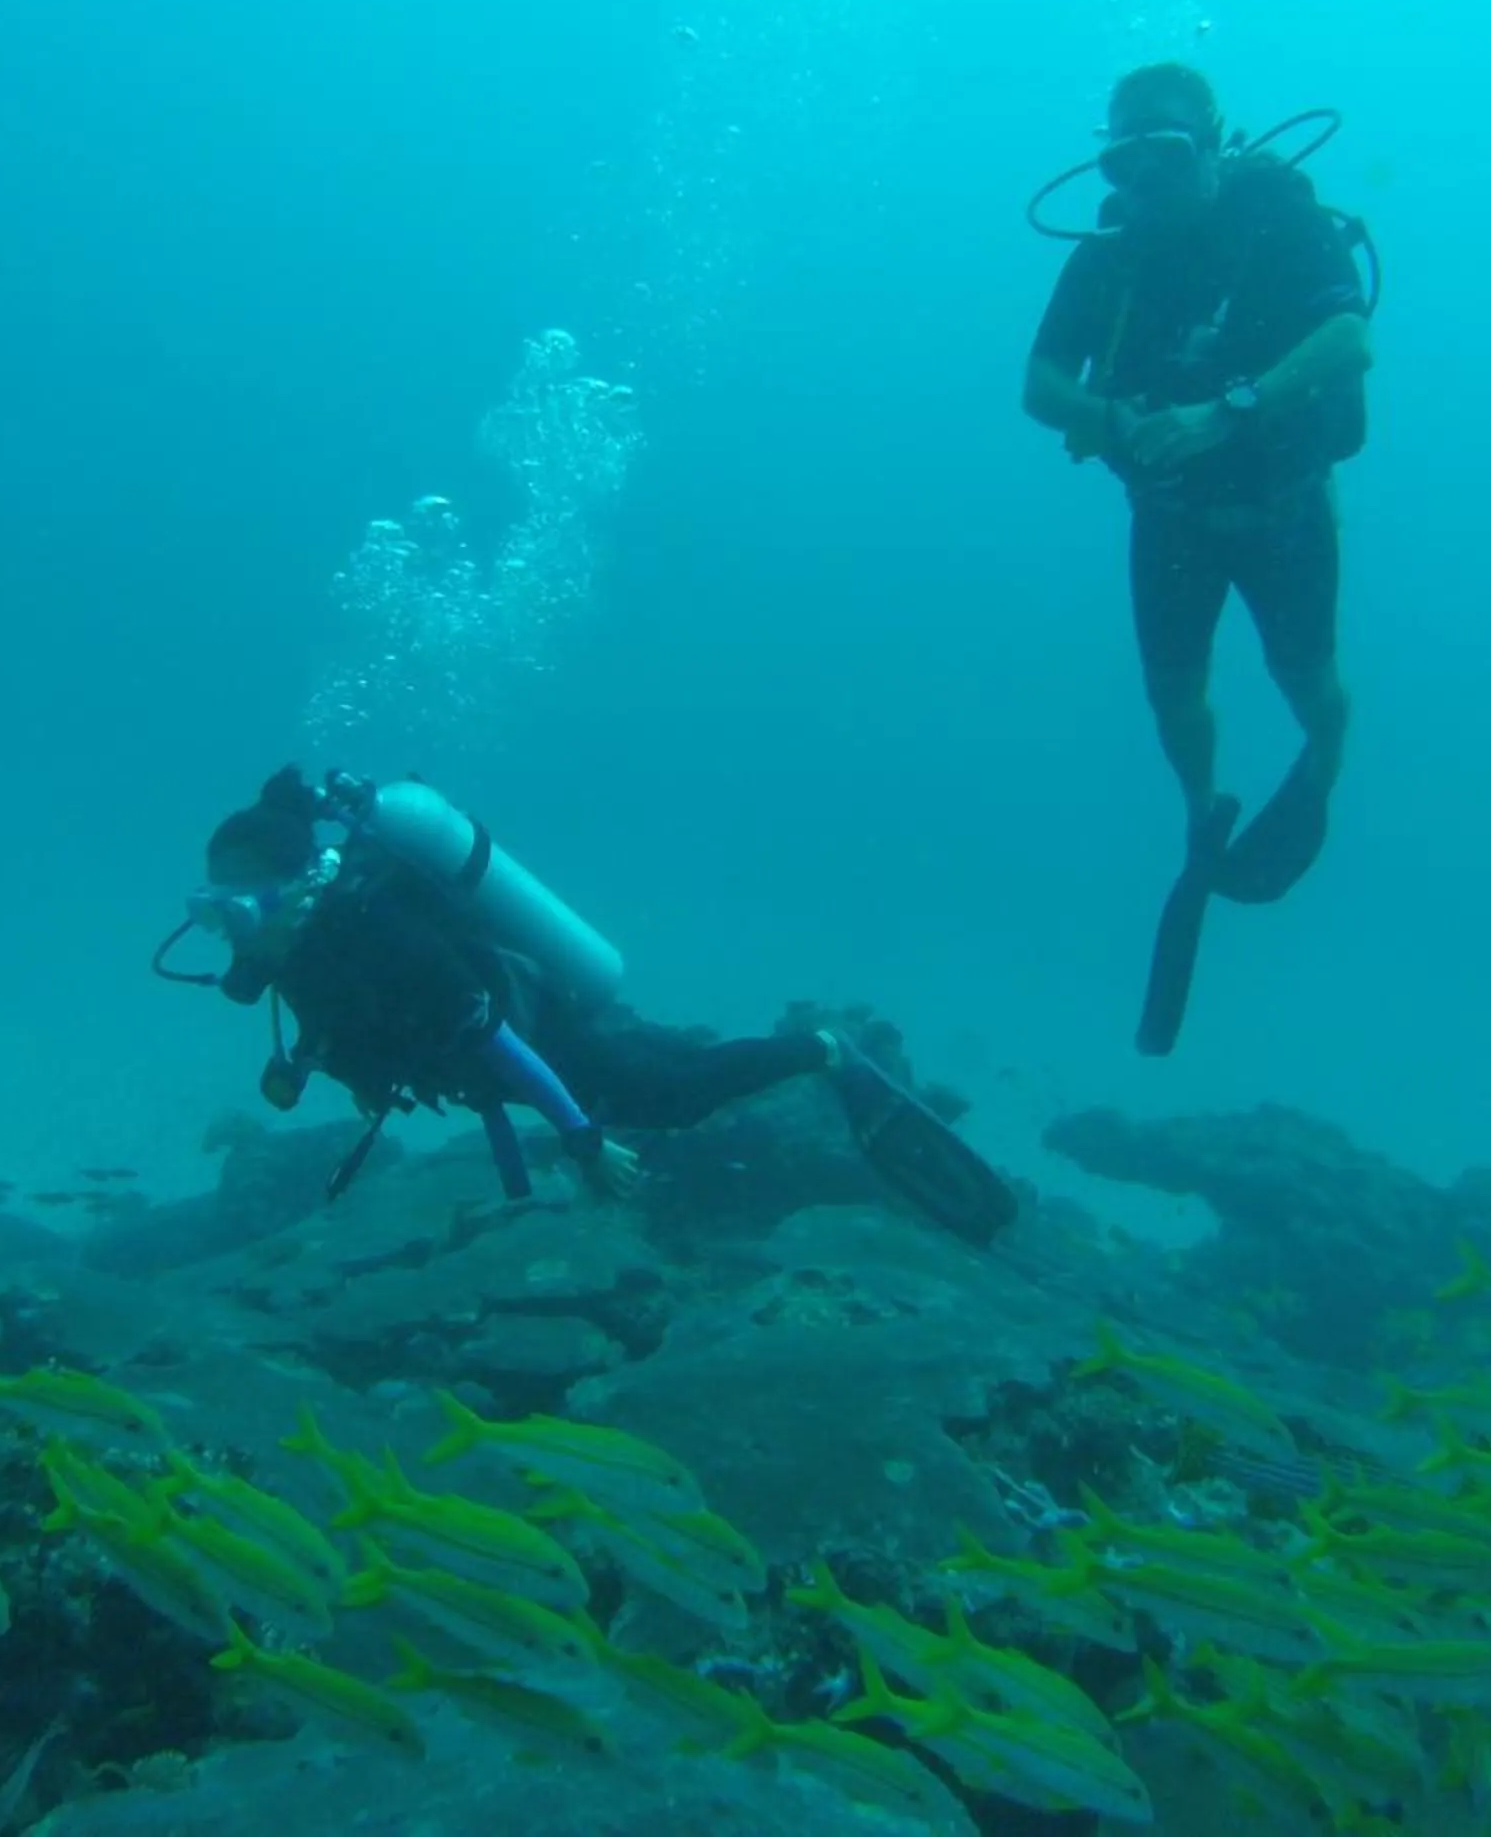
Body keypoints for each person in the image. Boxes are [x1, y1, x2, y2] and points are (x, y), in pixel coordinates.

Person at [153, 766, 1019, 1243]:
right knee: (656, 1059)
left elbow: (491, 1038)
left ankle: (826, 1049)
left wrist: (584, 1143)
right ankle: (726, 1044)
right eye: (207, 906)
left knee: (668, 1098)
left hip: (535, 1029)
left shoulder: (379, 934)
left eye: (232, 907)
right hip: (489, 1055)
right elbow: (336, 1025)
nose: (220, 929)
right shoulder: (290, 951)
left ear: (296, 888)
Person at [1020, 62, 1379, 1053]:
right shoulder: (1110, 259)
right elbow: (1039, 384)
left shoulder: (1279, 223)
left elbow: (1349, 338)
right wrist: (1108, 415)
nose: (1145, 180)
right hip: (1169, 517)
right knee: (1172, 693)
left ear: (1214, 146)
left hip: (1283, 510)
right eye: (1124, 158)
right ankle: (1199, 807)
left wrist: (1227, 411)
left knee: (1306, 678)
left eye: (1166, 155)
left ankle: (1324, 762)